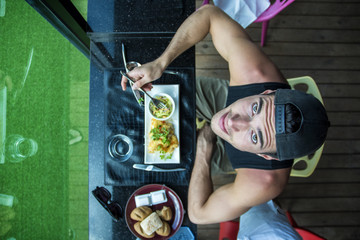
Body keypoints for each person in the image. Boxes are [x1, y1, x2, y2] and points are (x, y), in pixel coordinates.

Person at [121, 5, 329, 225]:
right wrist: (161, 63)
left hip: (229, 151)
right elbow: (209, 15)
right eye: (256, 108)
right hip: (226, 100)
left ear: (267, 156)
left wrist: (204, 151)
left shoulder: (263, 180)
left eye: (256, 136)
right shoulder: (254, 73)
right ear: (267, 92)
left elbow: (199, 214)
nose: (233, 121)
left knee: (171, 158)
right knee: (161, 92)